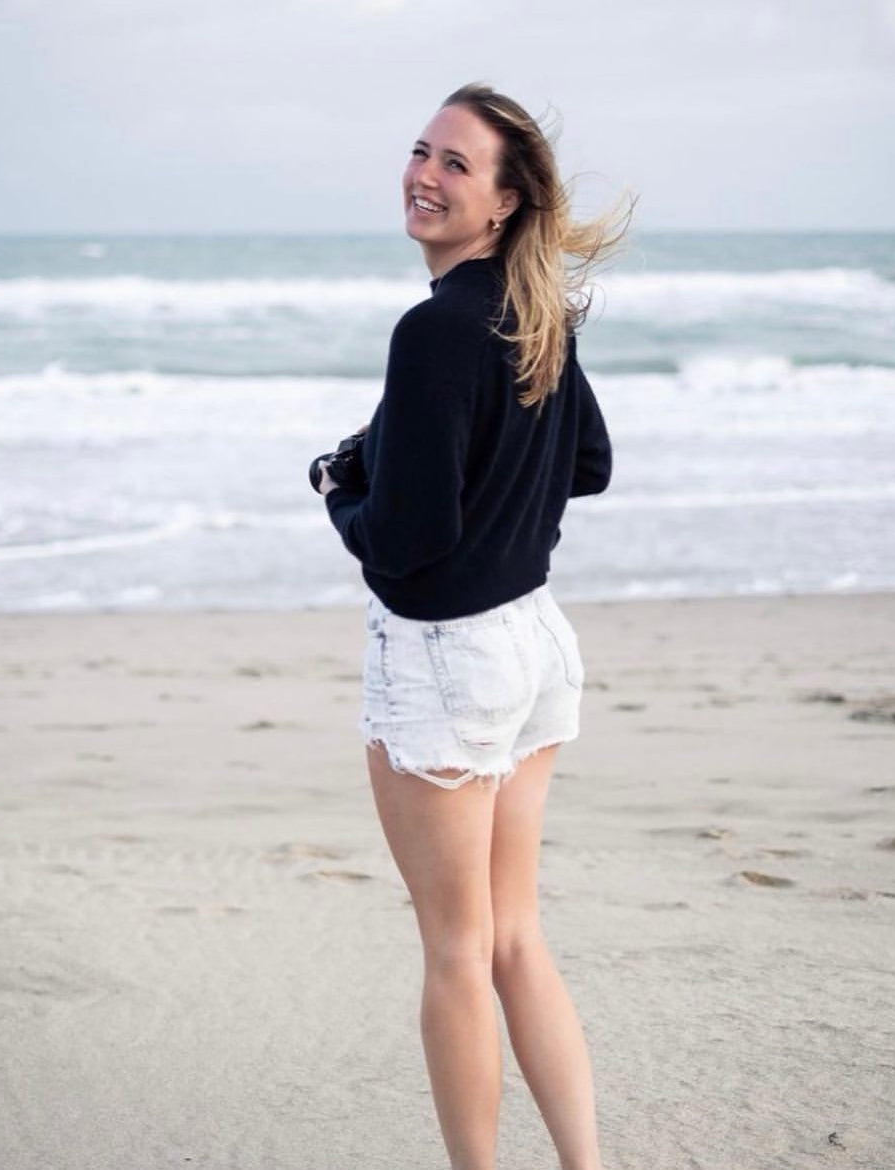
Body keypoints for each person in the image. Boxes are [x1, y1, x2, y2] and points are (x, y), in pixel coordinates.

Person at [317, 82, 628, 1170]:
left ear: (503, 202)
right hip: (534, 644)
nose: (426, 175)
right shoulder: (535, 313)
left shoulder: (436, 328)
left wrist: (336, 492)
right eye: (422, 151)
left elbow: (405, 540)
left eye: (456, 163)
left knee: (457, 952)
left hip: (448, 659)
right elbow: (587, 463)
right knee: (512, 938)